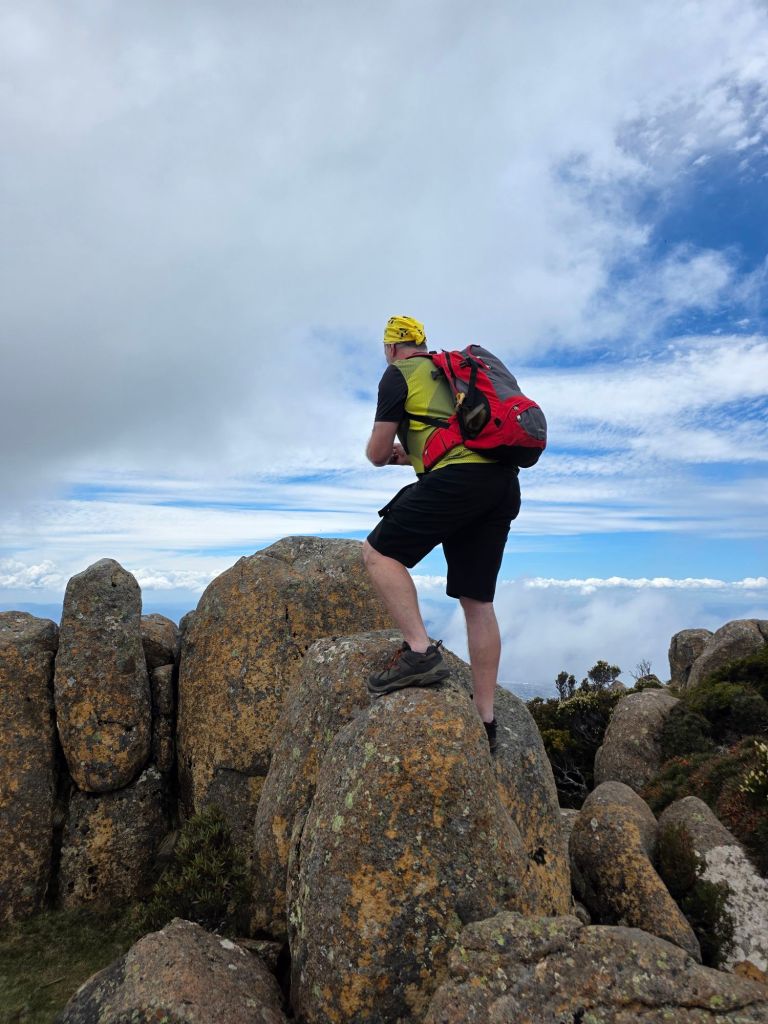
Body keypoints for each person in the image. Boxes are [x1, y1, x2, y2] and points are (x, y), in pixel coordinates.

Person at [362, 315, 521, 752]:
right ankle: (485, 720)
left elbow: (377, 451)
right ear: (422, 342)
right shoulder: (454, 373)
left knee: (378, 554)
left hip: (458, 481)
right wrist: (412, 456)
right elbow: (456, 436)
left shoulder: (398, 373)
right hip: (501, 484)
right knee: (477, 601)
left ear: (391, 348)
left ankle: (420, 652)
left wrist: (385, 455)